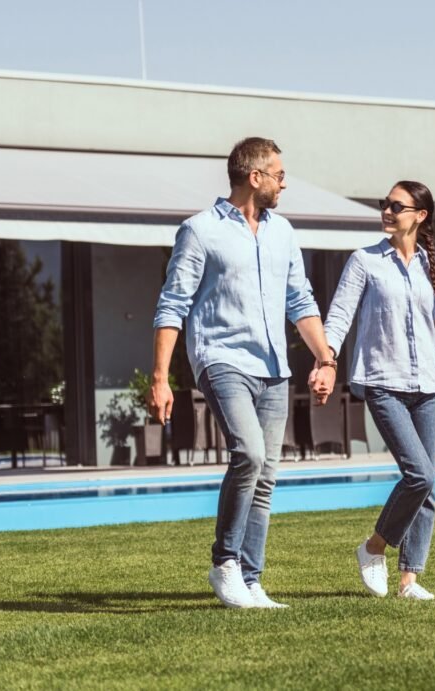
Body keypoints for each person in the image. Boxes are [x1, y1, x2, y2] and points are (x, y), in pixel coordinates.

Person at [150, 137, 337, 609]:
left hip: (273, 367)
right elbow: (172, 305)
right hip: (221, 359)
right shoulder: (199, 231)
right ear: (255, 177)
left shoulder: (283, 232)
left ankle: (251, 580)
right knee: (249, 455)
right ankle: (225, 563)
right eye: (279, 175)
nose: (284, 183)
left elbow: (300, 300)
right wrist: (160, 377)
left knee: (266, 475)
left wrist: (325, 358)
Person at [320, 180, 435, 601]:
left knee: (427, 486)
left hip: (430, 386)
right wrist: (326, 360)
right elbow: (338, 317)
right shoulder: (364, 261)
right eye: (385, 204)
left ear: (420, 215)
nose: (387, 212)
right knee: (420, 474)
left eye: (397, 206)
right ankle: (374, 547)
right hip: (383, 383)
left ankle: (409, 580)